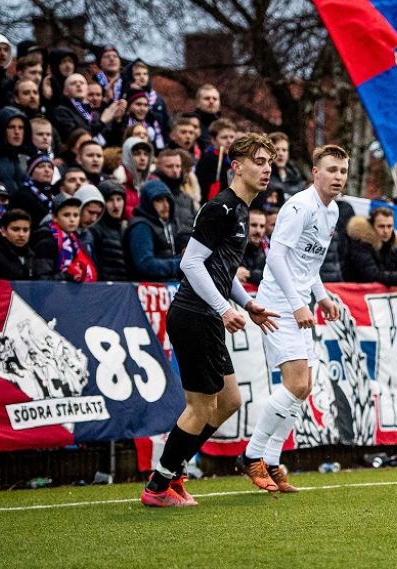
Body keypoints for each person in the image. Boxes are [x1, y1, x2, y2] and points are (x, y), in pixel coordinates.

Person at [140, 133, 280, 507]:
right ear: (236, 167)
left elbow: (221, 270)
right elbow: (190, 264)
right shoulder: (221, 207)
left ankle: (173, 471)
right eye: (259, 161)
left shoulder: (240, 210)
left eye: (269, 162)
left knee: (229, 400)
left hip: (206, 315)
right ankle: (159, 485)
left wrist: (247, 304)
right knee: (201, 406)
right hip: (195, 314)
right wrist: (223, 309)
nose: (266, 168)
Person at [235, 144, 346, 494]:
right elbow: (277, 260)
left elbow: (307, 266)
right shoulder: (298, 206)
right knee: (297, 384)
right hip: (278, 303)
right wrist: (299, 303)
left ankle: (270, 461)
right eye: (331, 170)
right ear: (315, 172)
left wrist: (323, 296)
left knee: (303, 388)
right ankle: (251, 455)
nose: (338, 177)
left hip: (298, 302)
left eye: (342, 171)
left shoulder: (333, 212)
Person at [342, 206, 397, 286]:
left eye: (389, 226)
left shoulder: (391, 245)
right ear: (372, 226)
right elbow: (373, 275)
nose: (386, 231)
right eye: (381, 226)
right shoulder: (360, 245)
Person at [30, 193, 97, 282]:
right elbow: (42, 281)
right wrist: (68, 276)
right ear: (55, 217)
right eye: (66, 215)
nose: (72, 219)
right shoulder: (46, 242)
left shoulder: (75, 242)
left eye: (76, 215)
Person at [124, 180, 182, 281]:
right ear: (148, 203)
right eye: (159, 200)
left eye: (167, 200)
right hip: (147, 291)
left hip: (165, 288)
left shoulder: (166, 224)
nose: (166, 205)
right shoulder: (141, 226)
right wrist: (179, 264)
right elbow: (145, 264)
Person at [0, 208, 39, 280]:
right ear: (3, 231)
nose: (21, 234)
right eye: (15, 229)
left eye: (25, 230)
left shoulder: (32, 257)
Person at [90, 180, 128, 281]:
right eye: (110, 200)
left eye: (119, 199)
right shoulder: (95, 230)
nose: (116, 205)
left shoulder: (126, 228)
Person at [236, 207, 267, 286]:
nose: (258, 230)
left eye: (262, 226)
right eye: (253, 225)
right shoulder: (234, 248)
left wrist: (248, 274)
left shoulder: (267, 251)